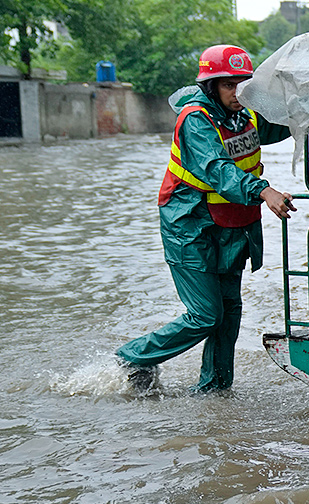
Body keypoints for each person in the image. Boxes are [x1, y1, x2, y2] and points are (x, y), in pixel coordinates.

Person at [116, 44, 295, 394]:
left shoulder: (246, 112)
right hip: (190, 224)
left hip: (232, 224)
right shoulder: (196, 119)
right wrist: (265, 191)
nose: (237, 92)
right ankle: (134, 357)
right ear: (211, 86)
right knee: (205, 314)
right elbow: (217, 170)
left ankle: (214, 391)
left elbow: (281, 124)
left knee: (229, 312)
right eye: (228, 85)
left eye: (243, 84)